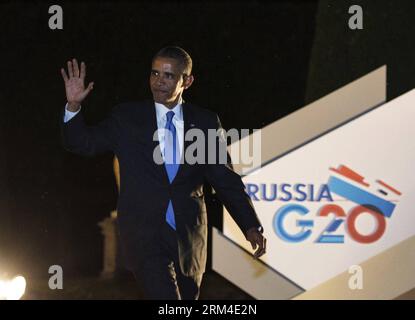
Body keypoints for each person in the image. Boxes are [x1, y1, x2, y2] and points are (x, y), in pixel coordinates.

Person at [60, 46, 266, 300]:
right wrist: (73, 107)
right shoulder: (128, 117)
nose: (158, 82)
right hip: (144, 235)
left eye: (168, 76)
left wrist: (250, 225)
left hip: (189, 236)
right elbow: (84, 143)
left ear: (187, 81)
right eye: (154, 74)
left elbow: (224, 179)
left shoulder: (205, 122)